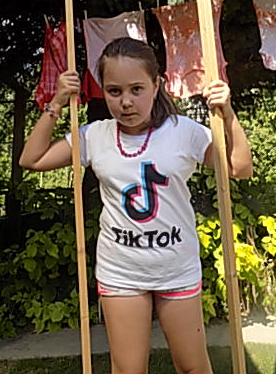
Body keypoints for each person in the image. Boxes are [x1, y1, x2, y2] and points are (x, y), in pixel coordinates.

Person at [20, 37, 252, 374]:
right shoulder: (94, 136)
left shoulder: (183, 132)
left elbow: (239, 168)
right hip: (121, 271)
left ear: (157, 85)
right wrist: (56, 102)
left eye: (136, 89)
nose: (126, 102)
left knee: (193, 367)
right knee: (128, 370)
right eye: (114, 91)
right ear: (103, 91)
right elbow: (32, 159)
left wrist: (227, 113)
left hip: (175, 268)